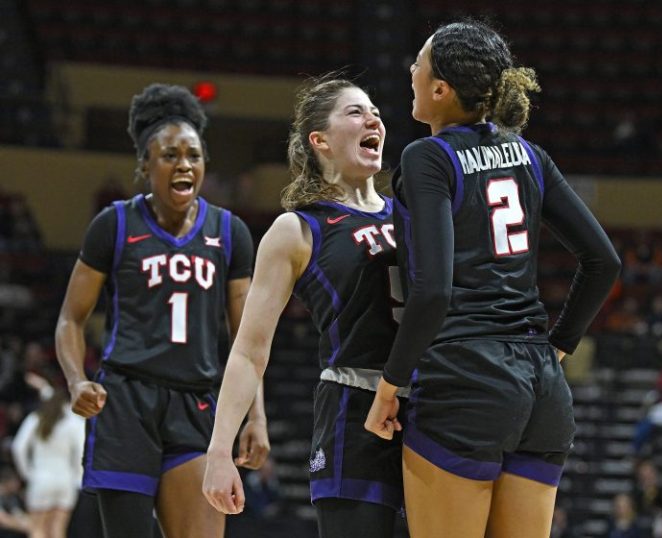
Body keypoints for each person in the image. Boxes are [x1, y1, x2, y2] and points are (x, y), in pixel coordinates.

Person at [365, 20, 621, 538]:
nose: (409, 71)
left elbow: (433, 290)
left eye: (418, 63)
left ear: (440, 89)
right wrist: (559, 347)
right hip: (542, 390)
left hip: (464, 378)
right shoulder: (529, 154)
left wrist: (391, 383)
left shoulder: (427, 157)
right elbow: (603, 261)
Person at [54, 83, 268, 538]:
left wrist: (256, 416)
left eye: (193, 155)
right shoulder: (114, 225)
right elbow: (70, 319)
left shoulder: (229, 233)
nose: (184, 164)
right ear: (145, 166)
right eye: (170, 155)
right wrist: (76, 380)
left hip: (197, 404)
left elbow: (247, 340)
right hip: (126, 403)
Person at [202, 77, 404, 538]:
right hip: (356, 415)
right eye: (355, 112)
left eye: (374, 111)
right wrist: (219, 450)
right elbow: (249, 350)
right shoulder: (296, 229)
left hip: (432, 412)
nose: (373, 119)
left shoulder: (411, 213)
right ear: (320, 140)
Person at [11, 389, 84, 538]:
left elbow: (18, 447)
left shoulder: (36, 418)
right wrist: (78, 477)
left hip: (41, 478)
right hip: (66, 479)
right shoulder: (73, 421)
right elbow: (82, 451)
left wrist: (27, 473)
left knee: (37, 529)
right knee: (58, 529)